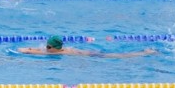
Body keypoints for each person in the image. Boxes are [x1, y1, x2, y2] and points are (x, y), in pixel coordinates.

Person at [17, 35, 156, 57]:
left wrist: (28, 51)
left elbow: (40, 52)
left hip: (92, 55)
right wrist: (30, 49)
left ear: (54, 47)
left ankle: (144, 53)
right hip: (88, 52)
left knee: (118, 56)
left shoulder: (61, 53)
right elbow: (42, 50)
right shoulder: (55, 50)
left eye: (48, 47)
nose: (46, 48)